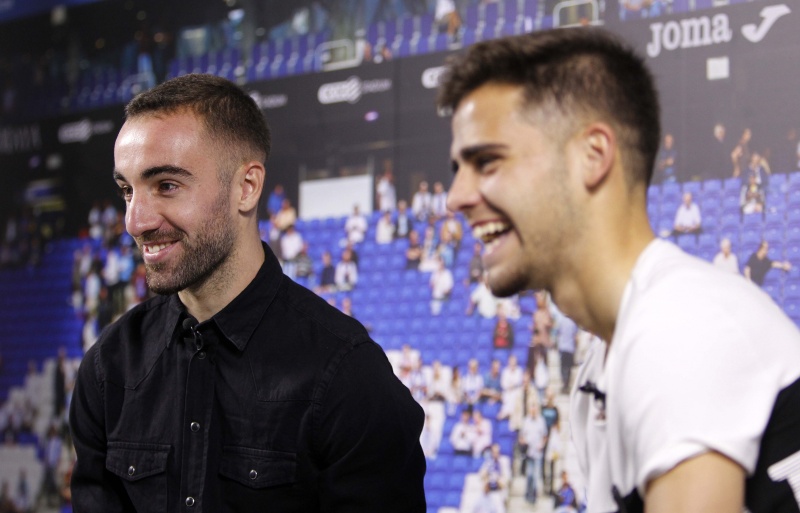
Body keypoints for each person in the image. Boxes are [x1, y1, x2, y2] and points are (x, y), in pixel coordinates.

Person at [441, 28, 800, 513]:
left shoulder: (679, 327)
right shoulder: (601, 366)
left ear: (592, 156)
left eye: (487, 161)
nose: (456, 198)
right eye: (458, 169)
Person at [70, 74, 426, 512]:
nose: (135, 221)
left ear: (247, 187)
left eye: (166, 185)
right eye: (127, 191)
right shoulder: (108, 368)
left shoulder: (348, 375)